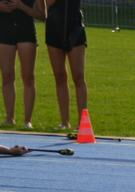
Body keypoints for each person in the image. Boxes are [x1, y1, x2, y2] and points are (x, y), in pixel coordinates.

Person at [0, 0, 43, 129]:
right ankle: (9, 118)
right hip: (4, 31)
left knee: (28, 77)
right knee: (7, 76)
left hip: (26, 32)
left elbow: (42, 15)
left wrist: (21, 6)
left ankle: (27, 121)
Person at [44, 0, 86, 130]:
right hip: (54, 27)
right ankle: (64, 122)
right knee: (59, 76)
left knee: (78, 77)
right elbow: (48, 3)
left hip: (75, 28)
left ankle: (82, 123)